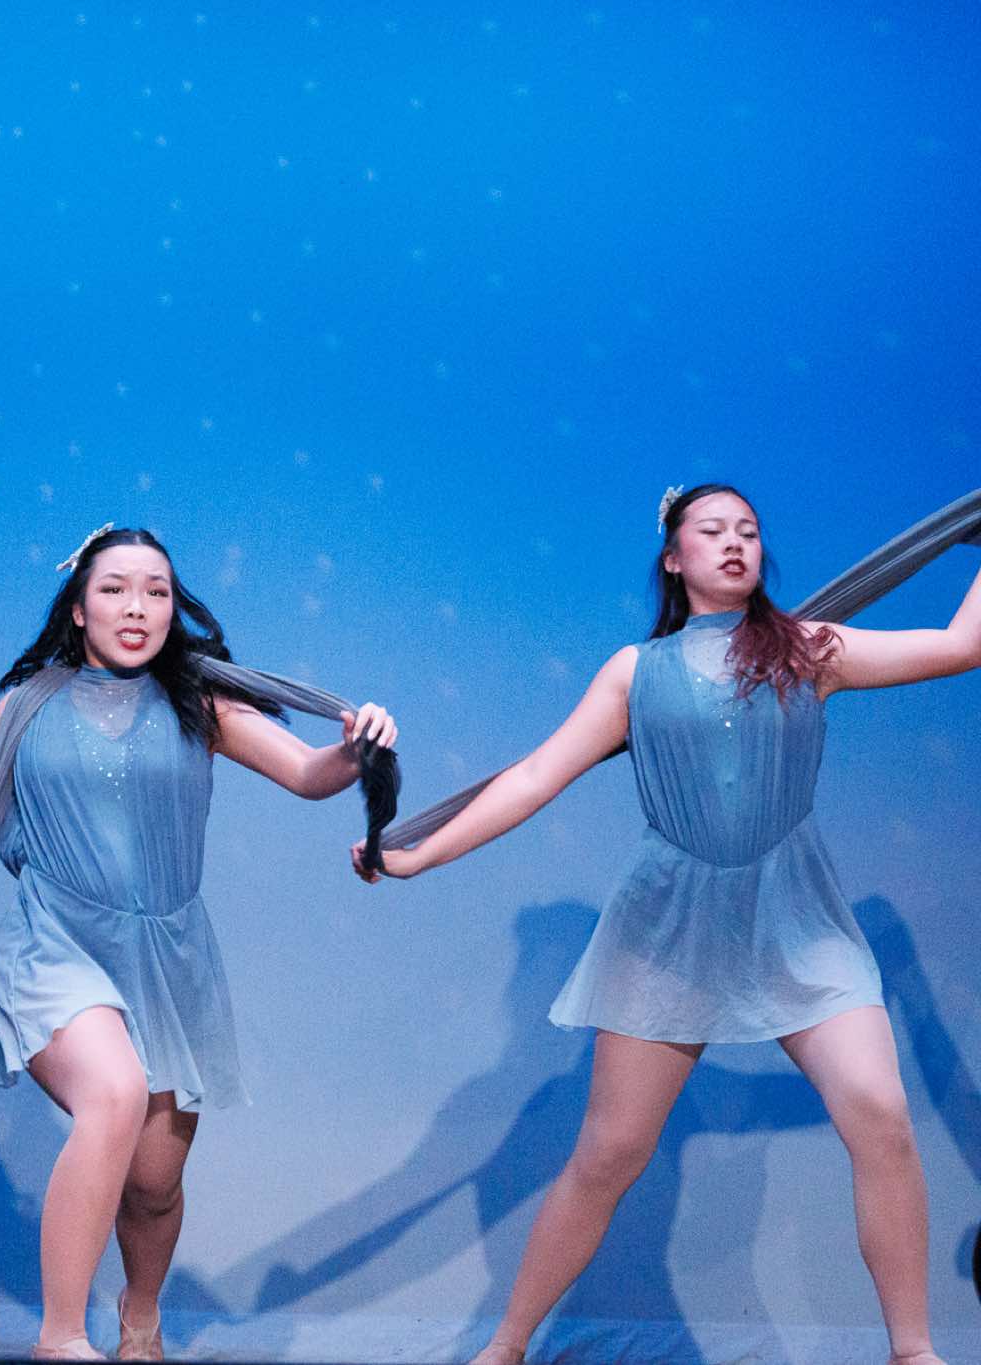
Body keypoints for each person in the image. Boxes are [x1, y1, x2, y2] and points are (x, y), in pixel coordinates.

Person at [356, 484, 981, 1365]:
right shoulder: (634, 673)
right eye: (712, 531)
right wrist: (417, 855)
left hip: (796, 918)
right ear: (674, 559)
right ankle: (505, 1346)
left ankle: (913, 1351)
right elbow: (533, 777)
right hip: (670, 930)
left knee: (881, 1115)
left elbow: (963, 644)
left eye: (749, 532)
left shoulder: (810, 648)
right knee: (609, 1153)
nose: (735, 543)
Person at [0, 526, 397, 1360]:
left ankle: (139, 1310)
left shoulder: (199, 704)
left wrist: (355, 749)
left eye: (156, 591)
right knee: (112, 1094)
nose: (137, 606)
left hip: (169, 963)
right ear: (79, 608)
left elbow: (307, 773)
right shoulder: (25, 706)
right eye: (115, 588)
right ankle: (60, 1337)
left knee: (151, 1185)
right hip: (54, 943)